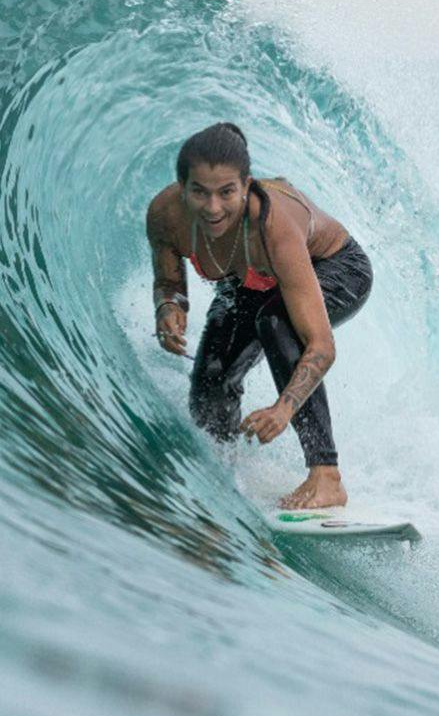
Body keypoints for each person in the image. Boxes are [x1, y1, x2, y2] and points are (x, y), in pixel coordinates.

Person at [146, 122, 372, 510]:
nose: (213, 208)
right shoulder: (166, 216)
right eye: (199, 192)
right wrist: (169, 309)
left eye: (226, 193)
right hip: (251, 280)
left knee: (275, 322)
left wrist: (283, 409)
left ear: (246, 185)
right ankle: (225, 464)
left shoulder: (273, 226)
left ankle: (326, 475)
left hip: (335, 267)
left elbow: (321, 345)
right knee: (210, 381)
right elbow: (170, 285)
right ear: (182, 187)